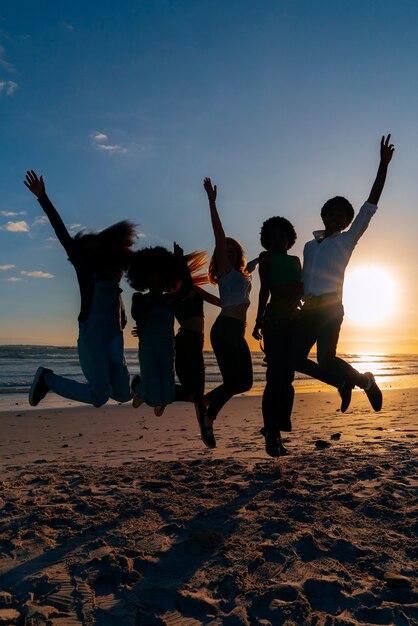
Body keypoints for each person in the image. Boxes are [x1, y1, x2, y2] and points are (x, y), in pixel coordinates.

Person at [292, 134, 395, 410]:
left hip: (330, 309)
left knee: (326, 359)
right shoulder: (309, 246)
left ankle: (365, 381)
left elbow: (369, 207)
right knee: (295, 359)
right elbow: (302, 283)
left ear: (348, 222)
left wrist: (382, 165)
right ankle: (343, 382)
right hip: (308, 310)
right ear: (324, 215)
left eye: (342, 216)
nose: (336, 218)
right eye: (332, 213)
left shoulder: (347, 240)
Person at [24, 170, 136, 407]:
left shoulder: (115, 274)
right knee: (100, 396)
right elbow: (62, 233)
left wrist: (123, 319)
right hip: (92, 335)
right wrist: (43, 198)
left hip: (114, 337)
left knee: (124, 395)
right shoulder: (86, 270)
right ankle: (48, 379)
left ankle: (141, 385)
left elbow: (121, 306)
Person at [201, 177, 253, 448]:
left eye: (233, 251)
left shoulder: (240, 277)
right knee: (235, 381)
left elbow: (226, 302)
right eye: (226, 251)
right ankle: (208, 419)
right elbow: (218, 235)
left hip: (236, 331)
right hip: (224, 332)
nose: (229, 252)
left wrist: (261, 259)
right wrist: (212, 203)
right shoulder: (224, 271)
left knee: (244, 383)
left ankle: (206, 400)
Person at [128, 245, 206, 416]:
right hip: (148, 350)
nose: (157, 283)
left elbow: (186, 287)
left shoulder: (171, 300)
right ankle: (136, 385)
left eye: (160, 280)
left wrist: (180, 261)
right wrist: (141, 326)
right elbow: (137, 315)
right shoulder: (141, 299)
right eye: (152, 280)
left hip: (167, 350)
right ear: (145, 281)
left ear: (166, 281)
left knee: (168, 397)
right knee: (154, 399)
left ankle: (143, 392)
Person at [252, 216, 302, 457]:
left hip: (294, 321)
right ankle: (271, 433)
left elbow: (301, 291)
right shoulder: (266, 258)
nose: (279, 239)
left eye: (283, 236)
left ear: (289, 238)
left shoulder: (296, 260)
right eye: (274, 236)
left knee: (288, 378)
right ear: (267, 240)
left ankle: (277, 431)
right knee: (274, 378)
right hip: (274, 321)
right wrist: (258, 321)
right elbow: (264, 290)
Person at [173, 243, 221, 424]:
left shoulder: (195, 290)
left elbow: (219, 302)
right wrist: (179, 259)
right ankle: (163, 393)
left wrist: (236, 303)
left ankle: (204, 427)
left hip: (197, 343)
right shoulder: (173, 296)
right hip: (185, 341)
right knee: (193, 393)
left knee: (198, 394)